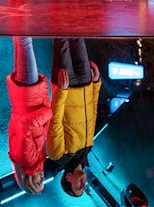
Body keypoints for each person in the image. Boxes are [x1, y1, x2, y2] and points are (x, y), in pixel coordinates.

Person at [45, 38, 101, 197]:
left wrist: (61, 92)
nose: (83, 184)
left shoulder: (58, 156)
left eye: (78, 187)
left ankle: (55, 11)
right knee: (78, 37)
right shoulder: (88, 148)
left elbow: (55, 120)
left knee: (61, 39)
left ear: (68, 178)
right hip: (85, 83)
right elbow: (93, 113)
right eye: (84, 188)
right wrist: (96, 84)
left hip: (66, 86)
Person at [6, 36, 51, 194]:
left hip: (29, 95)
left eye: (38, 182)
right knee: (20, 39)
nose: (42, 177)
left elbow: (25, 125)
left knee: (25, 40)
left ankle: (19, 12)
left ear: (28, 181)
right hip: (24, 96)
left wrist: (49, 113)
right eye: (43, 181)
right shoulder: (27, 159)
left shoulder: (27, 159)